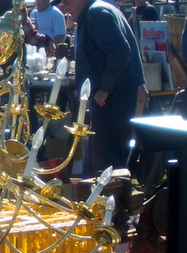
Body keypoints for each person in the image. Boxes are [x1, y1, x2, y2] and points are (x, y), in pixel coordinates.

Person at [60, 0, 148, 176]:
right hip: (109, 97)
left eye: (67, 2)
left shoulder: (98, 14)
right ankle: (94, 196)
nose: (64, 6)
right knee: (98, 158)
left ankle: (113, 201)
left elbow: (121, 51)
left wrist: (104, 90)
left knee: (108, 162)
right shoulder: (98, 11)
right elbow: (127, 45)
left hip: (112, 98)